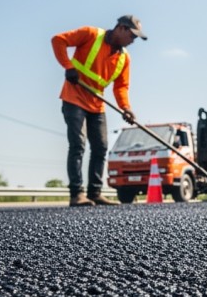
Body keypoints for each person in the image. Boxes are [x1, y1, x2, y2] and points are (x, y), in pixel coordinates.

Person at [52, 15, 147, 207]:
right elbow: (58, 40)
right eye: (132, 35)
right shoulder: (91, 34)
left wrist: (125, 108)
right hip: (74, 97)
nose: (133, 41)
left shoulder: (124, 58)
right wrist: (68, 66)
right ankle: (77, 194)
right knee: (78, 144)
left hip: (97, 103)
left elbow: (121, 87)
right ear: (121, 28)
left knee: (101, 147)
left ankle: (94, 192)